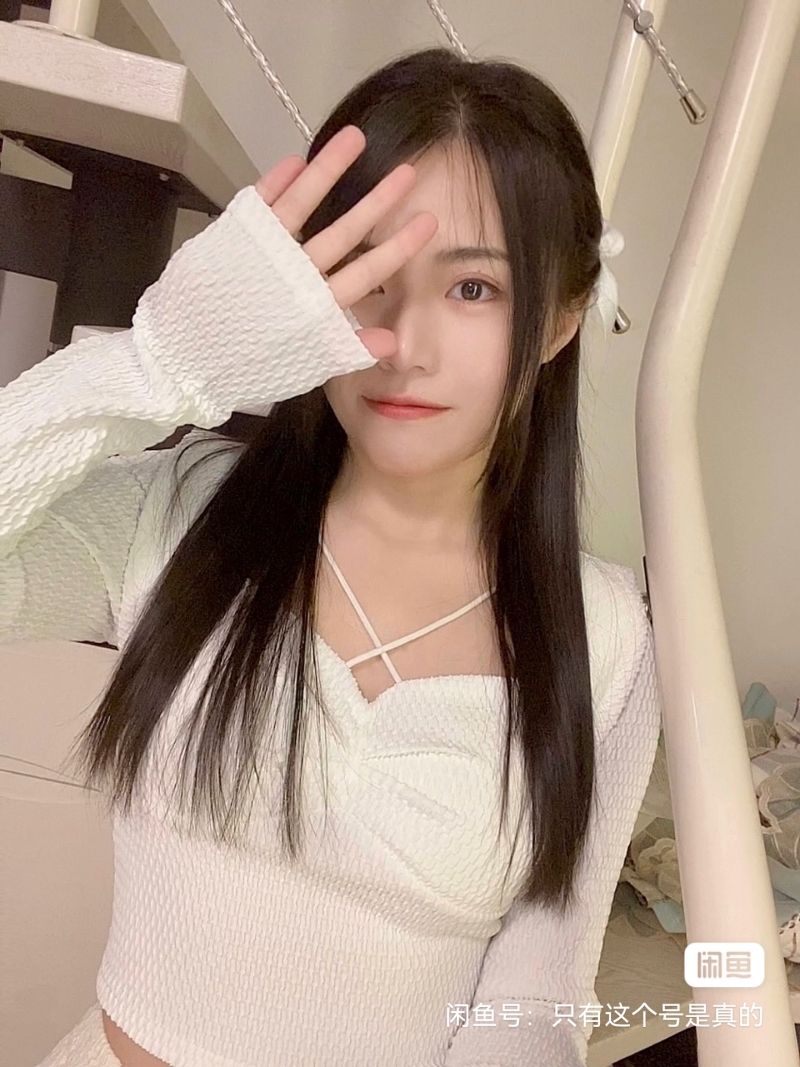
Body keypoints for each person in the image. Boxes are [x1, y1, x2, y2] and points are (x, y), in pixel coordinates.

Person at [2, 46, 661, 1067]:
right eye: (367, 278)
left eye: (473, 287)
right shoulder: (182, 516)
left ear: (558, 322)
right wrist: (158, 364)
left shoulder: (608, 638)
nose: (402, 344)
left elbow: (533, 1003)